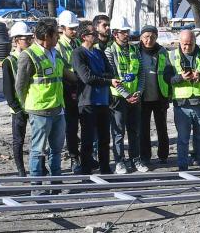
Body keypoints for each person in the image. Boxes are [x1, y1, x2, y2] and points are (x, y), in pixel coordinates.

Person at [14, 18, 71, 183]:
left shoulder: (55, 52)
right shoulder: (29, 55)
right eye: (56, 35)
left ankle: (56, 183)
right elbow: (20, 86)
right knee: (38, 150)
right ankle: (37, 186)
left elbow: (65, 73)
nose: (58, 38)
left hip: (58, 108)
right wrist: (26, 106)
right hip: (40, 111)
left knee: (56, 149)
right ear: (47, 35)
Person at [72, 21, 117, 174]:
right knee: (88, 139)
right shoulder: (78, 53)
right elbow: (87, 78)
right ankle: (86, 169)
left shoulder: (99, 53)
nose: (97, 35)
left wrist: (101, 77)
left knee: (104, 138)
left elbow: (111, 72)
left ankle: (105, 168)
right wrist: (106, 80)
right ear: (84, 36)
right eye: (93, 33)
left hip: (103, 101)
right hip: (87, 101)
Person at [168, 27, 200, 171]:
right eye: (184, 44)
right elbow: (166, 78)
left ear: (195, 42)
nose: (187, 47)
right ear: (179, 42)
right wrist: (180, 78)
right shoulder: (172, 56)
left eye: (190, 44)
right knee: (183, 138)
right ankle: (182, 165)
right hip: (182, 104)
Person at [105, 16, 145, 173]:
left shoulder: (135, 49)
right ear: (115, 34)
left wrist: (138, 92)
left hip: (135, 97)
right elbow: (112, 75)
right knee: (118, 132)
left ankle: (136, 159)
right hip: (118, 99)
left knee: (135, 131)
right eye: (123, 32)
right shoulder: (110, 51)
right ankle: (119, 161)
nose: (127, 35)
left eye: (127, 31)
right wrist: (127, 95)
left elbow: (141, 73)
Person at [0, 21, 33, 175]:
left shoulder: (31, 57)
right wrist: (16, 108)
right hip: (19, 108)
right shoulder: (9, 61)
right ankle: (21, 169)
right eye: (25, 39)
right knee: (18, 140)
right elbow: (8, 89)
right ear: (16, 40)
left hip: (33, 105)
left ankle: (38, 166)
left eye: (29, 38)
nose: (28, 41)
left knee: (36, 139)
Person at [137, 24, 172, 164]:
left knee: (162, 128)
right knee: (143, 129)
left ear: (156, 37)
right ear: (141, 37)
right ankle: (145, 156)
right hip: (142, 97)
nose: (149, 40)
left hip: (159, 97)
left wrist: (168, 94)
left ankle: (163, 155)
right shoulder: (135, 51)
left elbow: (169, 72)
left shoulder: (162, 52)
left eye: (152, 37)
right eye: (146, 37)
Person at [56, 10, 82, 168]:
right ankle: (74, 156)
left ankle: (84, 155)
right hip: (68, 89)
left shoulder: (78, 43)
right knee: (71, 126)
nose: (74, 31)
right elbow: (62, 70)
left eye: (75, 28)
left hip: (81, 87)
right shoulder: (59, 46)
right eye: (71, 29)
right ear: (62, 28)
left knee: (85, 124)